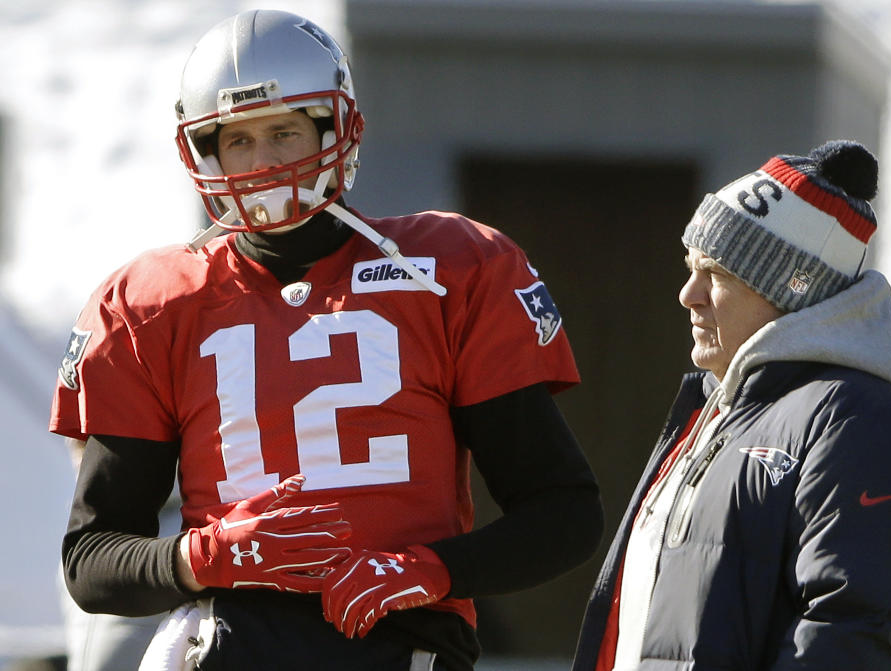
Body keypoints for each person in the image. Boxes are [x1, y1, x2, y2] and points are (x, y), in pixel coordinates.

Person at [50, 9, 602, 671]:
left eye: (284, 132)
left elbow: (564, 512)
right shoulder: (152, 302)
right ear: (204, 150)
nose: (263, 162)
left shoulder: (451, 270)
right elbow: (92, 559)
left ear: (339, 130)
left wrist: (429, 569)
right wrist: (203, 556)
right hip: (232, 644)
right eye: (239, 140)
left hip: (404, 644)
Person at [572, 140, 891, 671]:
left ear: (794, 291)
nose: (688, 294)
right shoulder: (719, 412)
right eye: (690, 266)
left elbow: (849, 633)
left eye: (718, 274)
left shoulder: (863, 421)